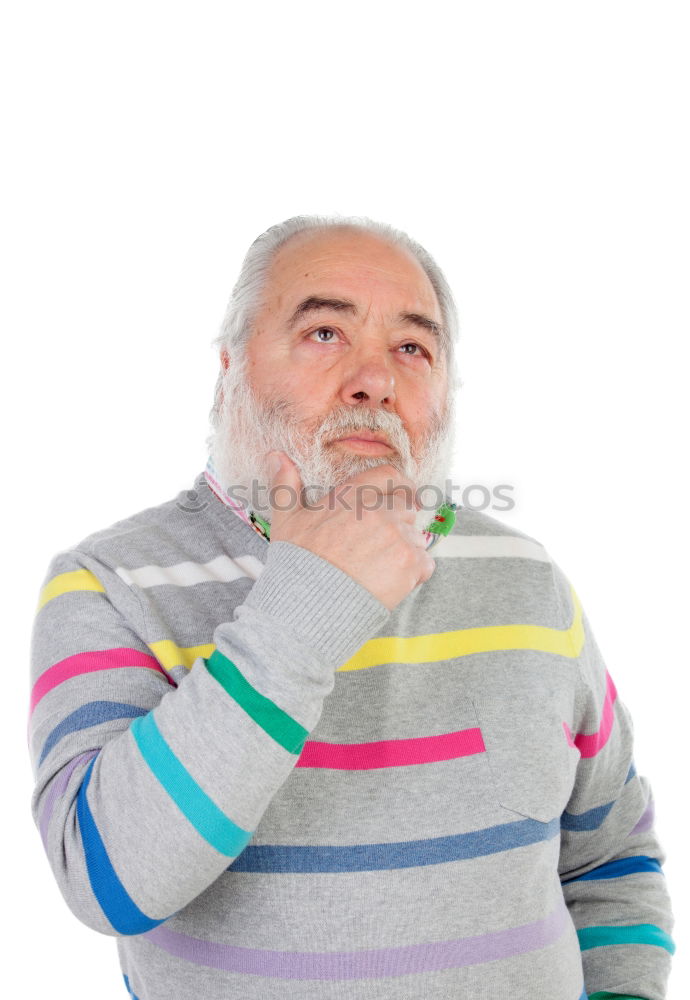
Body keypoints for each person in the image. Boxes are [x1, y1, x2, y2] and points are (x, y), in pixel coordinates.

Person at [28, 215, 674, 1000]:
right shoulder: (107, 583)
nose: (375, 379)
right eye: (326, 332)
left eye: (412, 347)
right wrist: (307, 605)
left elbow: (612, 855)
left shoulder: (527, 577)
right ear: (230, 367)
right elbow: (106, 882)